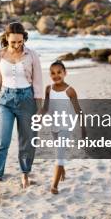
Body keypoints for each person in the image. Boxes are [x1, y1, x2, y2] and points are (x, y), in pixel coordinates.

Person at [0, 22, 43, 194]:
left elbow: (38, 82)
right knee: (1, 141)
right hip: (5, 100)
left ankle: (25, 173)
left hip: (27, 100)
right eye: (14, 42)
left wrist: (39, 108)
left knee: (26, 141)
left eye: (20, 42)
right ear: (7, 38)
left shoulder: (32, 55)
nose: (18, 45)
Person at [40, 60, 86, 194]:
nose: (56, 75)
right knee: (58, 151)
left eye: (59, 72)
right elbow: (45, 107)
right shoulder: (48, 89)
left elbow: (78, 110)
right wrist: (38, 117)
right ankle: (61, 168)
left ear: (65, 73)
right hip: (53, 125)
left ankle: (54, 186)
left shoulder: (70, 91)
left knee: (59, 154)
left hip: (65, 126)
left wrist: (84, 129)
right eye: (53, 73)